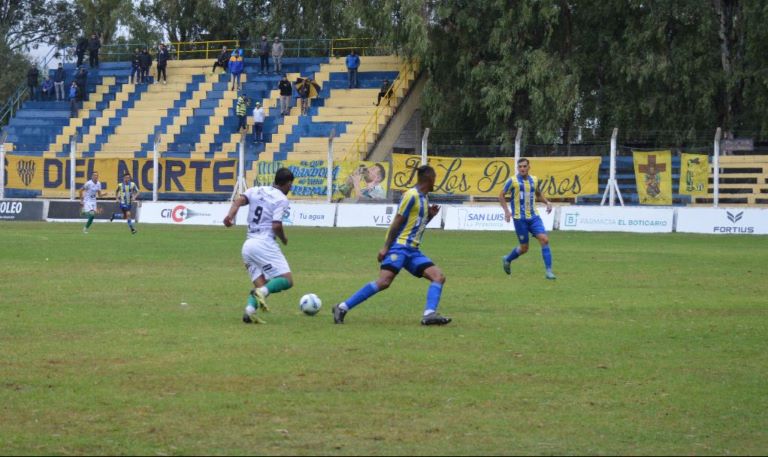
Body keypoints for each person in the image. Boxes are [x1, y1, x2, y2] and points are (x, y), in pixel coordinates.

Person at [332, 165, 451, 326]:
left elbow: (416, 225)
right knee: (384, 282)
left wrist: (429, 216)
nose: (435, 181)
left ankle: (429, 314)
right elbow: (397, 221)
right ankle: (342, 307)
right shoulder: (411, 196)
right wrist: (386, 247)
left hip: (413, 251)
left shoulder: (424, 198)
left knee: (438, 276)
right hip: (399, 247)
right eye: (434, 178)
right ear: (429, 178)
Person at [223, 167, 296, 324]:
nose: (291, 188)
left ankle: (249, 311)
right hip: (264, 243)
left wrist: (229, 217)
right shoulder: (281, 199)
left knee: (262, 286)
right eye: (291, 185)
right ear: (287, 183)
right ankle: (259, 295)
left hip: (248, 246)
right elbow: (276, 225)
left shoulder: (256, 190)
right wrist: (283, 239)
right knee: (287, 280)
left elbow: (238, 201)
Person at [498, 158, 556, 280]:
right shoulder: (512, 181)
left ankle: (549, 271)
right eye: (520, 167)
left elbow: (538, 195)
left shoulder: (534, 180)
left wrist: (547, 202)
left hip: (534, 217)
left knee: (544, 240)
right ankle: (507, 259)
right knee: (524, 248)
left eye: (525, 166)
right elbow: (501, 195)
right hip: (520, 219)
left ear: (529, 167)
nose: (522, 169)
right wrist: (507, 211)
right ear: (518, 168)